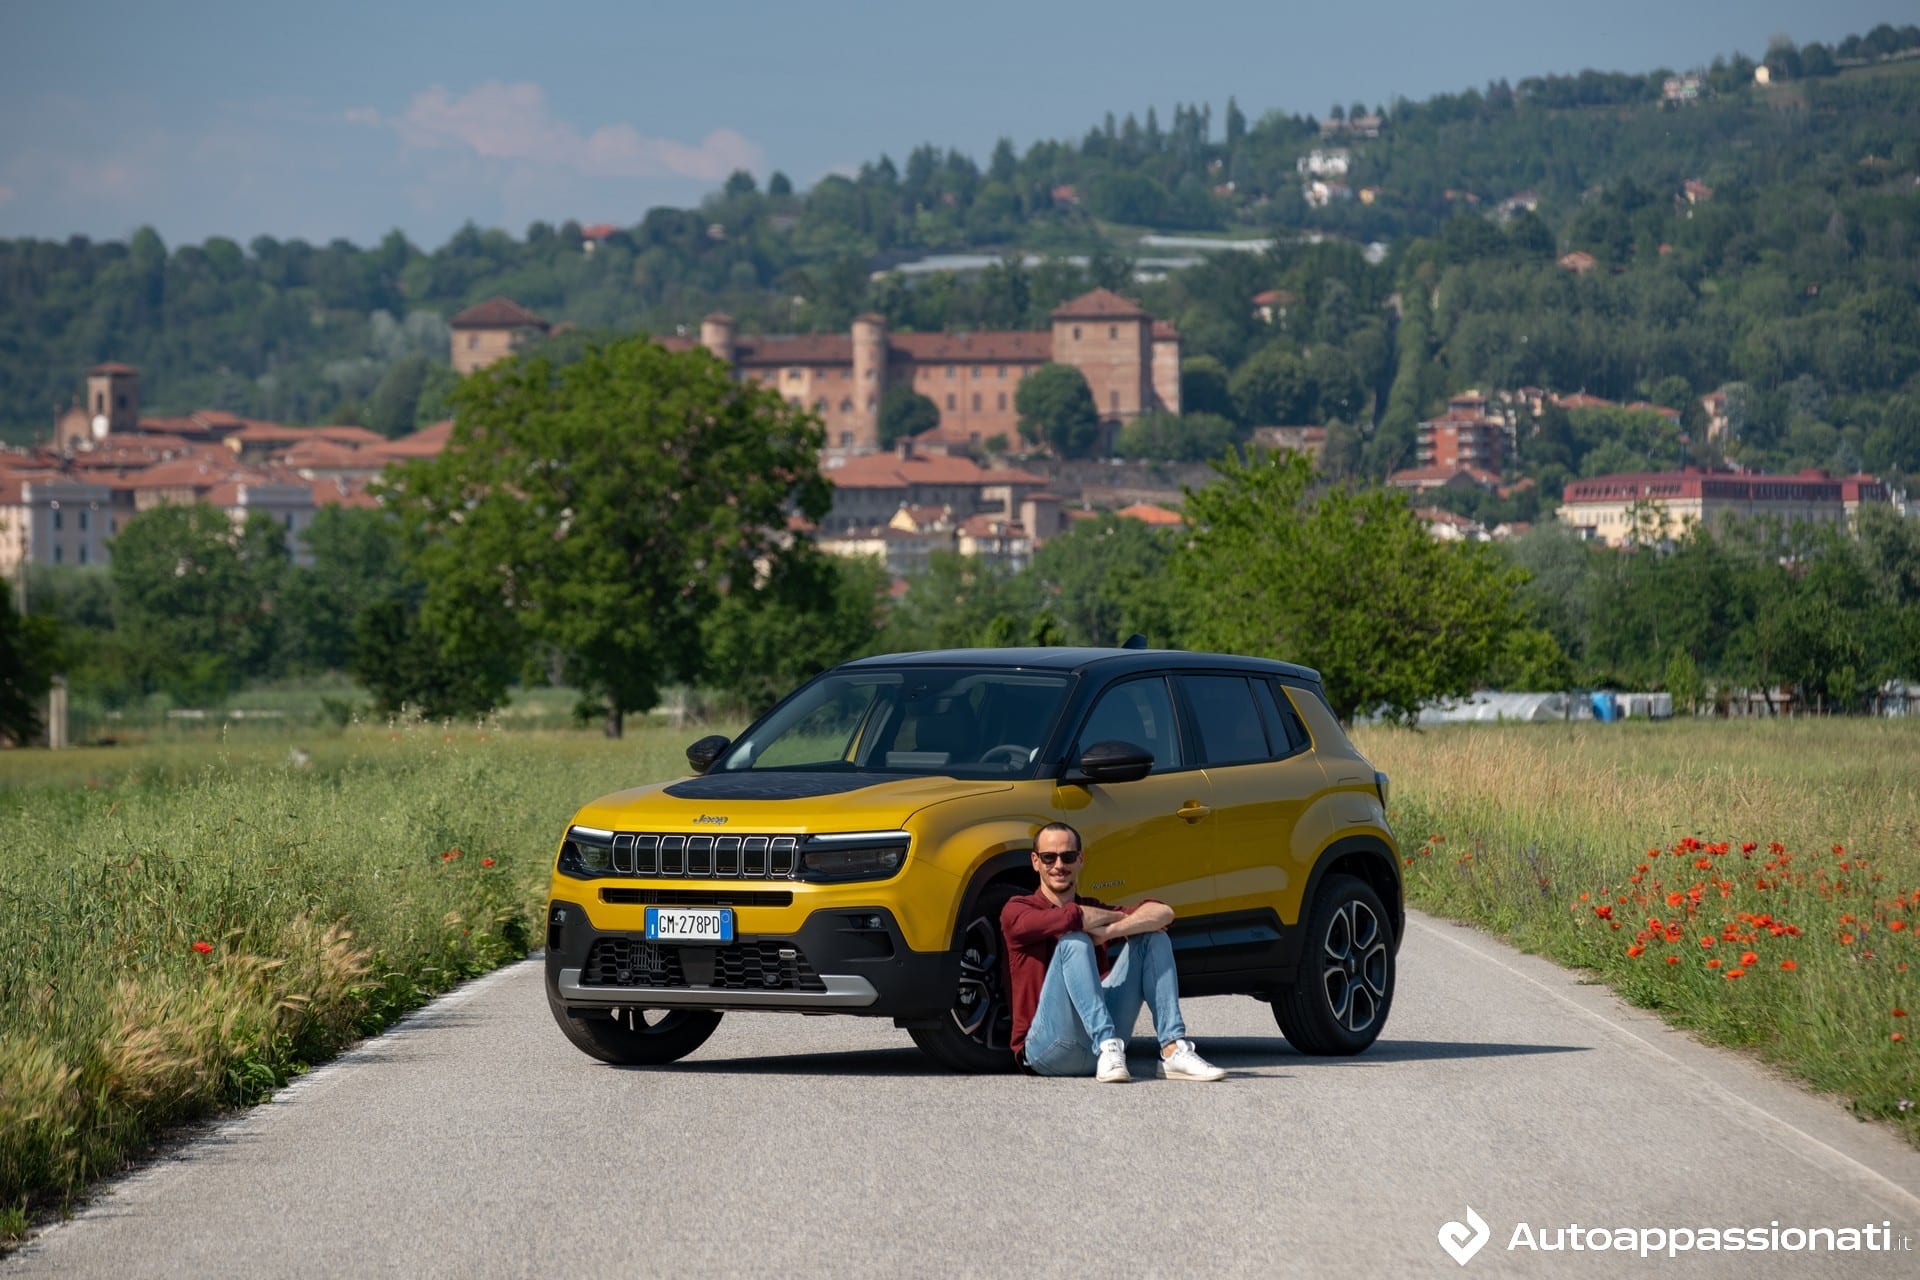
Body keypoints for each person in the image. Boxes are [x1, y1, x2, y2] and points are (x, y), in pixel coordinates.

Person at [1000, 821, 1226, 1082]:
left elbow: (1163, 912)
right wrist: (1109, 920)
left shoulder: (1093, 908)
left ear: (1080, 859)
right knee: (1075, 940)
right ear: (1035, 861)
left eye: (1068, 856)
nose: (1059, 865)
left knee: (1153, 938)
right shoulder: (1017, 909)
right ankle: (1106, 1042)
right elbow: (1072, 917)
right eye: (1049, 858)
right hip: (1048, 1049)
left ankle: (1173, 1049)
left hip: (1108, 1055)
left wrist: (1110, 931)